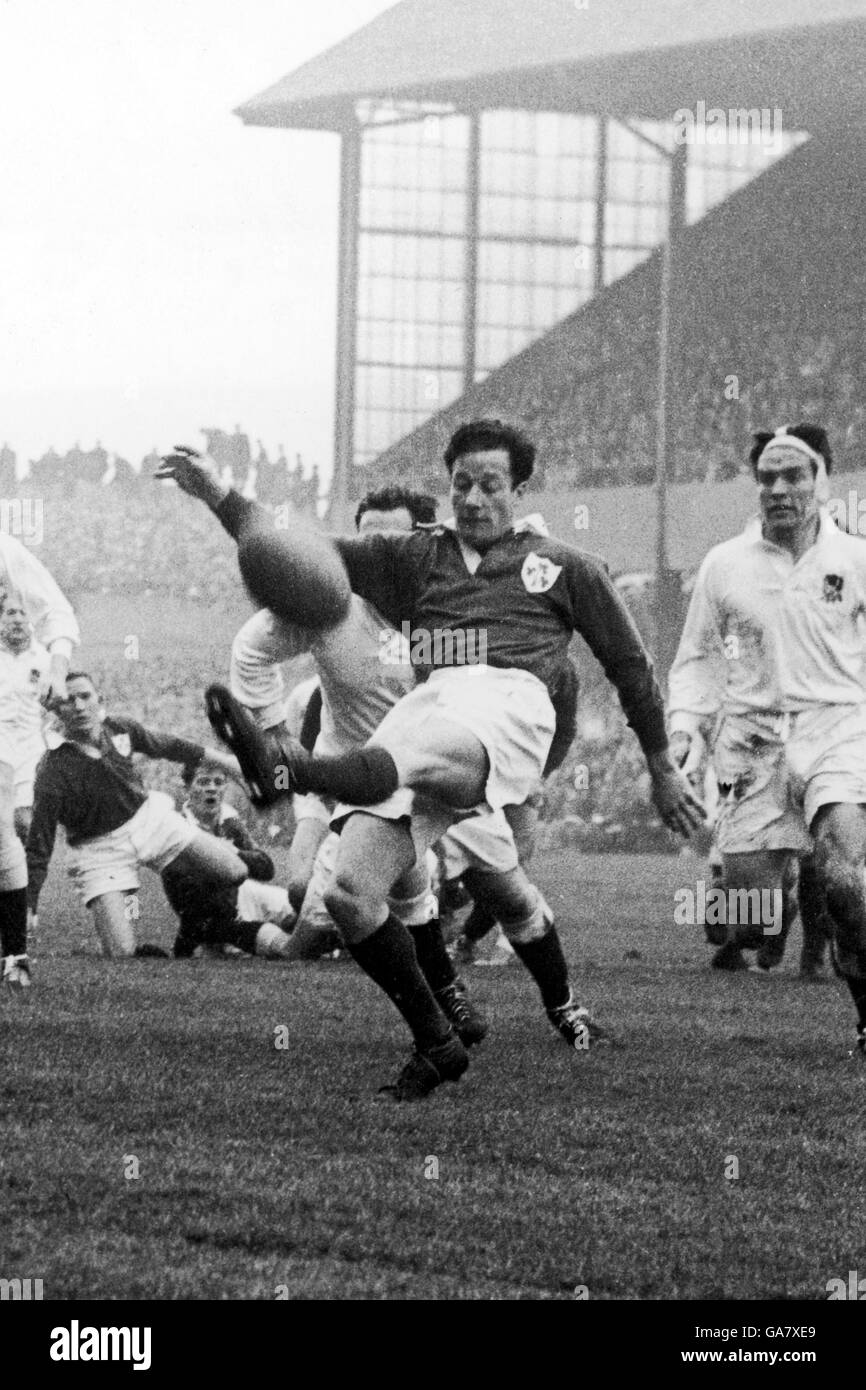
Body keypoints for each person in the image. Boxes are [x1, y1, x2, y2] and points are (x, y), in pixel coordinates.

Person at [160, 420, 701, 1100]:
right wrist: (220, 496)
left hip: (510, 702)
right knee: (349, 895)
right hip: (429, 715)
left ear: (519, 489)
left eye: (490, 485)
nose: (473, 499)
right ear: (448, 487)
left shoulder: (565, 566)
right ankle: (437, 1041)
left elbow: (630, 667)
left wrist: (661, 764)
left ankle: (292, 770)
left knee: (492, 873)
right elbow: (304, 553)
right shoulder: (417, 556)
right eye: (461, 484)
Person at [668, 422, 866, 1056]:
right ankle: (754, 900)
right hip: (750, 745)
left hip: (836, 728)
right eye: (767, 479)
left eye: (793, 476)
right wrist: (683, 729)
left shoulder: (856, 562)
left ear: (821, 481)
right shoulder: (725, 564)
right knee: (746, 923)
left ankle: (862, 1008)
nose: (778, 489)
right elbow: (696, 657)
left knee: (848, 880)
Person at [26, 672, 248, 958]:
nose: (79, 707)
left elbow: (173, 746)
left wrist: (230, 764)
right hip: (99, 849)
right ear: (56, 710)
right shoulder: (51, 770)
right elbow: (39, 844)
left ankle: (198, 928)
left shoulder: (121, 728)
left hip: (148, 819)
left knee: (235, 871)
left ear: (99, 699)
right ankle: (122, 937)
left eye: (85, 696)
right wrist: (28, 906)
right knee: (121, 953)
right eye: (68, 701)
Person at [0, 534, 79, 991]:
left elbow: (55, 610)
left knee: (13, 830)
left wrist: (57, 667)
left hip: (20, 752)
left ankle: (15, 952)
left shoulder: (8, 554)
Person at [164, 762, 293, 959]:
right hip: (214, 912)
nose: (212, 788)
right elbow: (191, 899)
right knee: (272, 943)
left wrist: (231, 851)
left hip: (240, 891)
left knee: (292, 905)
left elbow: (266, 868)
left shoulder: (229, 820)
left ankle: (331, 940)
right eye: (203, 782)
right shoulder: (179, 829)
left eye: (218, 782)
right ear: (187, 787)